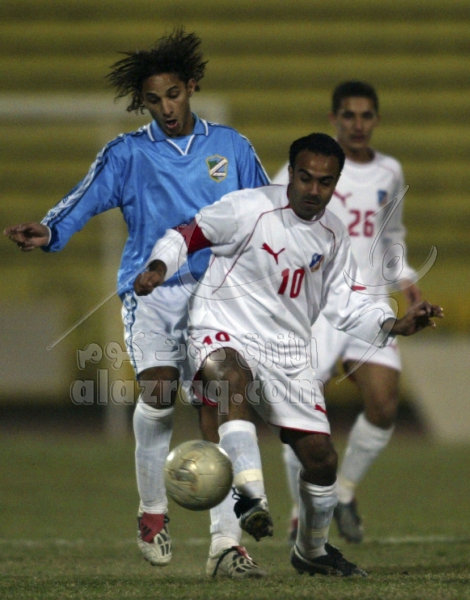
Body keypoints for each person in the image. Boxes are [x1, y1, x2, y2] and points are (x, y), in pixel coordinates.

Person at [4, 29, 270, 577]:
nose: (166, 108)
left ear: (191, 87)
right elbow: (83, 199)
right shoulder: (127, 153)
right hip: (151, 292)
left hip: (217, 296)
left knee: (218, 403)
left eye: (173, 94)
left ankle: (226, 545)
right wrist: (51, 231)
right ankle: (152, 512)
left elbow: (269, 213)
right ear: (142, 102)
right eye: (154, 99)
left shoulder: (232, 148)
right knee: (158, 389)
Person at [134, 133, 443, 577]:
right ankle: (250, 498)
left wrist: (395, 324)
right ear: (291, 173)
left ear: (335, 183)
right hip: (223, 327)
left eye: (325, 182)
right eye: (305, 178)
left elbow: (349, 304)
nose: (313, 189)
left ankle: (311, 551)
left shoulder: (334, 234)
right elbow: (187, 234)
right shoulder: (248, 208)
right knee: (230, 380)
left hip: (287, 351)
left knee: (321, 458)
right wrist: (160, 266)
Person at [273, 81, 421, 543]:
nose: (358, 124)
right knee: (302, 412)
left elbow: (390, 234)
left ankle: (345, 491)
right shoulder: (306, 168)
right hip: (317, 306)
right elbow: (273, 224)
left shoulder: (389, 171)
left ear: (376, 119)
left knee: (384, 403)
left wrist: (407, 282)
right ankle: (300, 511)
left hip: (370, 300)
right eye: (349, 115)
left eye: (366, 115)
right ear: (334, 117)